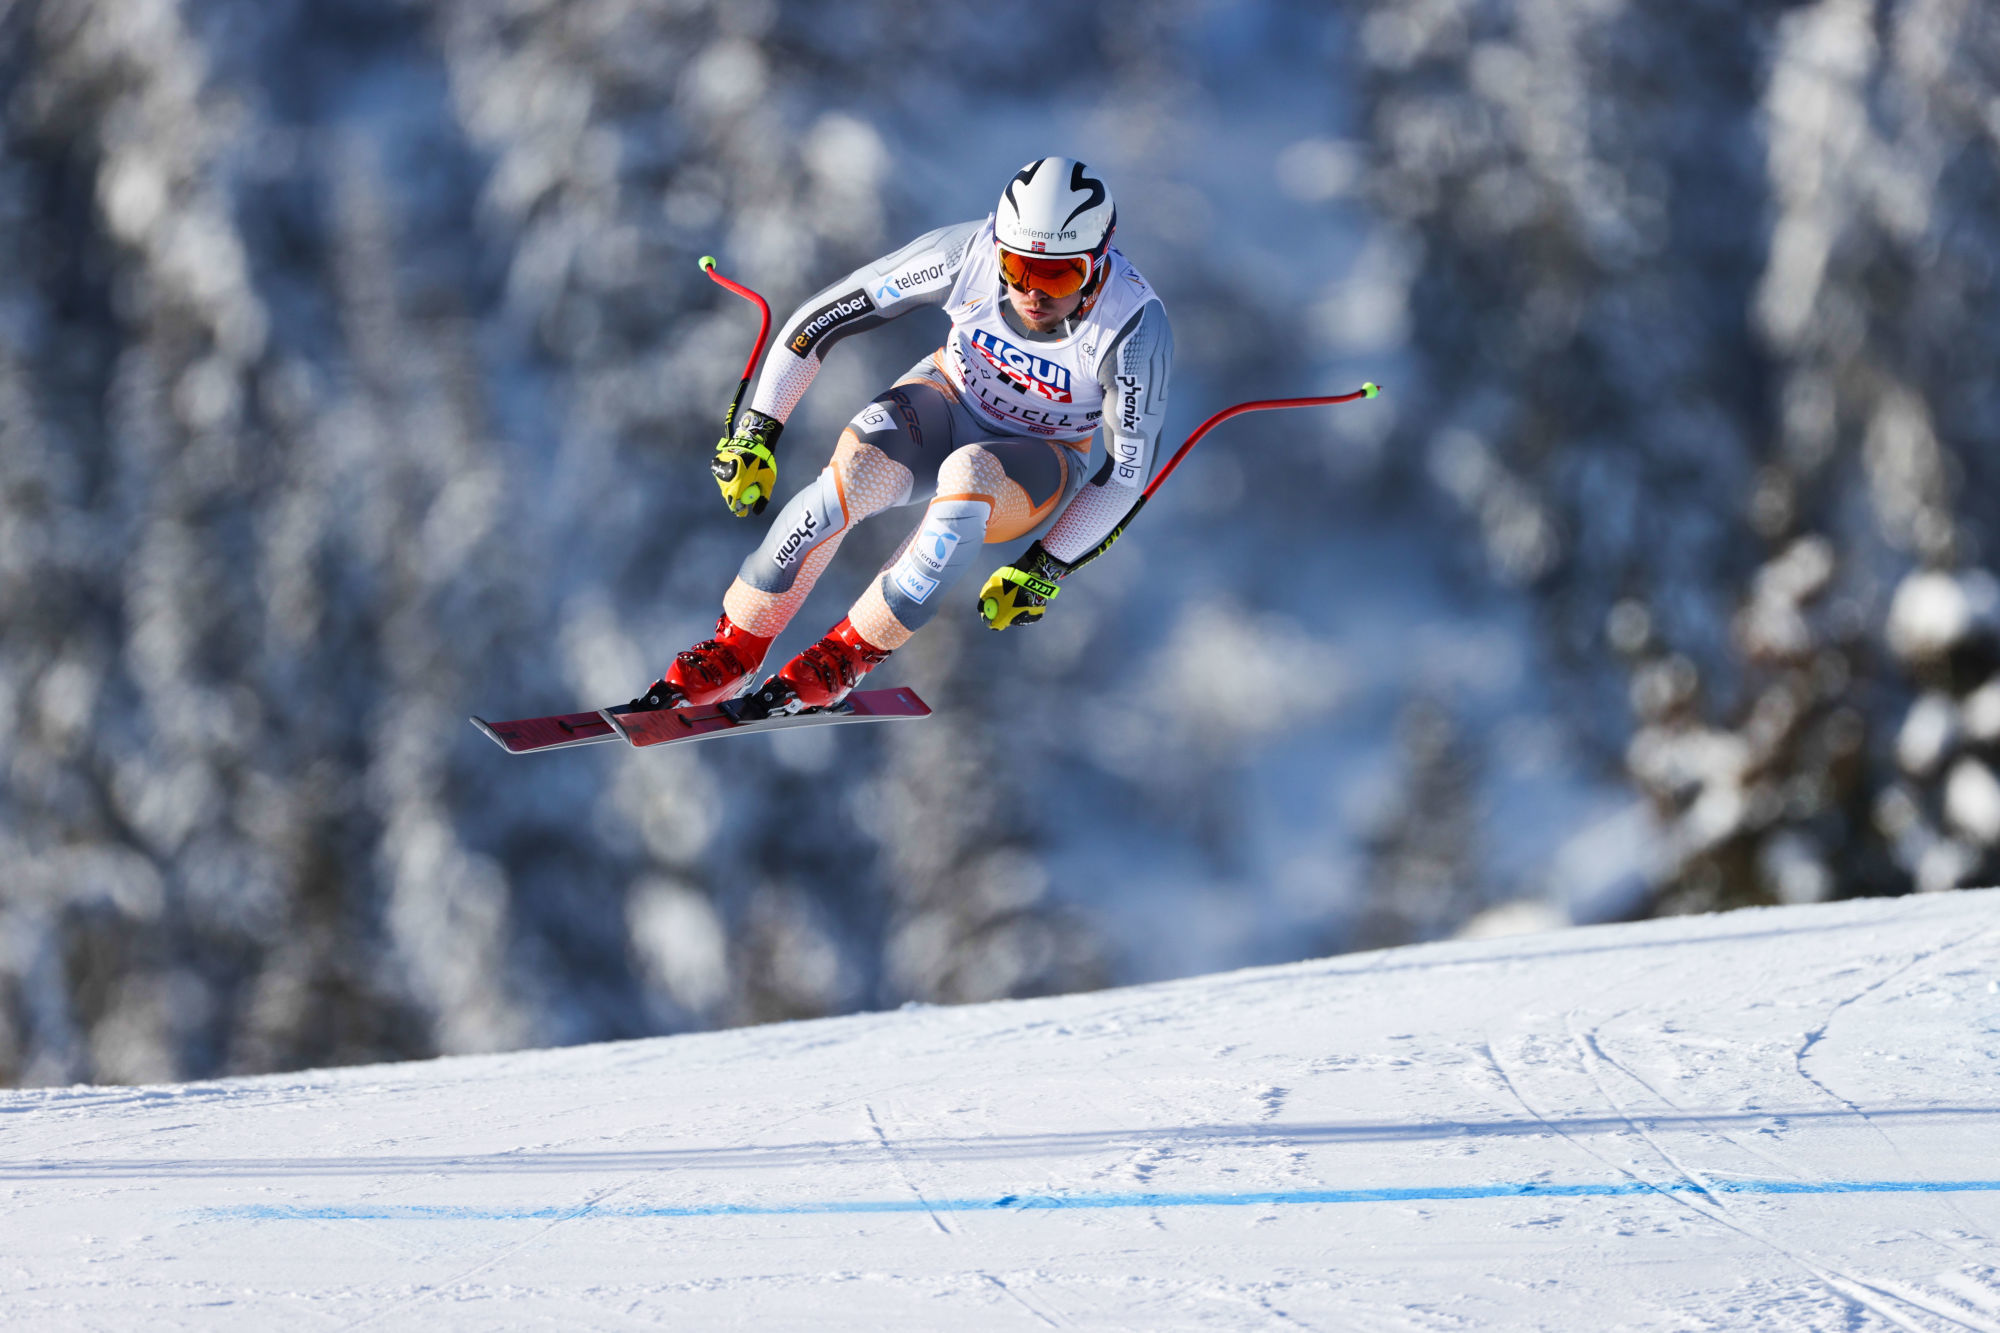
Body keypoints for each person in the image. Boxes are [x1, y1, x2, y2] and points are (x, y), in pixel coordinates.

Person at [631, 156, 1173, 717]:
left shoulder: (1131, 329)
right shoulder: (968, 255)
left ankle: (845, 656)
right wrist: (756, 430)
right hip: (945, 398)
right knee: (850, 478)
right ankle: (734, 648)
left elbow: (1125, 474)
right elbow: (818, 320)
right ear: (998, 247)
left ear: (1098, 265)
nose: (1032, 293)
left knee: (969, 480)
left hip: (1041, 456)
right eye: (1017, 269)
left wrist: (1044, 567)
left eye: (1058, 276)